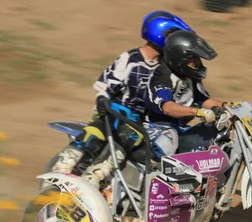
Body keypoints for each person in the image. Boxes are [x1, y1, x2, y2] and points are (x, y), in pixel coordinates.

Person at [51, 11, 195, 188]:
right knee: (98, 130)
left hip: (137, 119)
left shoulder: (163, 69)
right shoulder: (129, 58)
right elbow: (106, 83)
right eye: (174, 38)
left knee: (132, 136)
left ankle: (100, 173)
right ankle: (66, 162)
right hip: (114, 109)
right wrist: (102, 99)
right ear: (161, 35)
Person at [145, 29, 233, 156]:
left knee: (216, 134)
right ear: (179, 58)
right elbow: (167, 107)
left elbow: (203, 99)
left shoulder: (189, 76)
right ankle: (155, 172)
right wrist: (197, 112)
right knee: (169, 140)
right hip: (154, 128)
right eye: (194, 59)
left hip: (179, 128)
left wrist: (228, 106)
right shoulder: (161, 76)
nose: (198, 63)